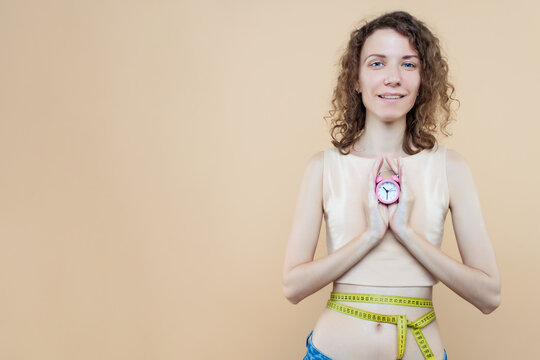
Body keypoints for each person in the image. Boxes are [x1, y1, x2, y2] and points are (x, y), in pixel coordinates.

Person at [281, 11, 501, 360]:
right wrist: (369, 235)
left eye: (409, 65)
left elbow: (489, 296)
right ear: (356, 78)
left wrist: (405, 233)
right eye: (377, 63)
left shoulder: (451, 168)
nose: (393, 78)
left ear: (423, 79)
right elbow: (292, 287)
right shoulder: (323, 168)